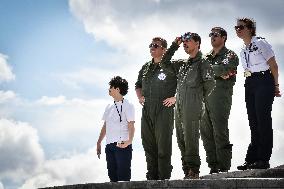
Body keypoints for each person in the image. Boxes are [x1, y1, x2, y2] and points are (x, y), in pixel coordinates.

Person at [160, 32, 215, 179]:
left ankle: (193, 169)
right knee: (181, 138)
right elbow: (164, 63)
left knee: (191, 136)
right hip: (179, 105)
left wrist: (197, 98)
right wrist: (174, 45)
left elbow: (210, 83)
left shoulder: (203, 62)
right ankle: (186, 169)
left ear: (197, 43)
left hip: (193, 104)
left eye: (188, 41)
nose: (185, 43)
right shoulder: (183, 64)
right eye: (183, 41)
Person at [235, 17, 281, 170]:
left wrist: (275, 85)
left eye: (241, 27)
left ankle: (263, 158)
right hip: (250, 82)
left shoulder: (261, 42)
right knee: (253, 121)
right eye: (236, 27)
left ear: (249, 28)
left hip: (264, 80)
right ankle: (252, 159)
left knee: (263, 120)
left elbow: (273, 65)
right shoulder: (242, 49)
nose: (238, 30)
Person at [135, 37, 177, 180]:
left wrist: (175, 98)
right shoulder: (146, 67)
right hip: (147, 109)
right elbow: (138, 84)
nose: (152, 47)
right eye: (151, 45)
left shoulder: (170, 66)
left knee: (163, 146)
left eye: (156, 45)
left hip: (163, 108)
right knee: (148, 144)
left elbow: (183, 84)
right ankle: (151, 177)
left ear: (164, 49)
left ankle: (164, 177)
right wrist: (140, 97)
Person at [200, 27, 239, 174]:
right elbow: (200, 72)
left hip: (220, 98)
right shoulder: (205, 57)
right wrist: (217, 71)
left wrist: (209, 70)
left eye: (215, 35)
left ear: (224, 37)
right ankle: (213, 167)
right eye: (211, 35)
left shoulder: (230, 54)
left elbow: (226, 69)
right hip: (204, 99)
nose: (212, 37)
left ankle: (224, 166)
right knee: (206, 134)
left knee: (220, 132)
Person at [96, 76, 135, 182]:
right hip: (109, 145)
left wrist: (129, 141)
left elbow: (131, 125)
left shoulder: (128, 105)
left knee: (123, 177)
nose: (109, 89)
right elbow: (105, 126)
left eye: (111, 87)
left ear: (117, 89)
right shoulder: (109, 106)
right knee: (112, 178)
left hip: (122, 144)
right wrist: (99, 142)